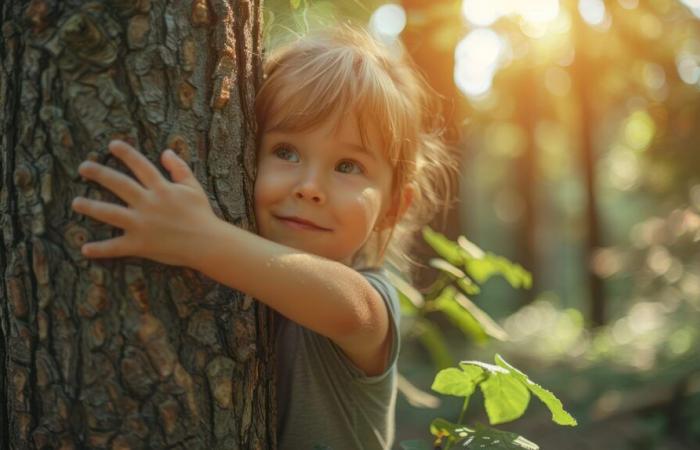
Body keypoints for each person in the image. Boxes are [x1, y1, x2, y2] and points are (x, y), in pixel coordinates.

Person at [72, 25, 455, 450]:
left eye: (348, 166)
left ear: (393, 208)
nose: (310, 186)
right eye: (286, 152)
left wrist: (201, 239)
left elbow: (353, 309)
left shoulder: (371, 303)